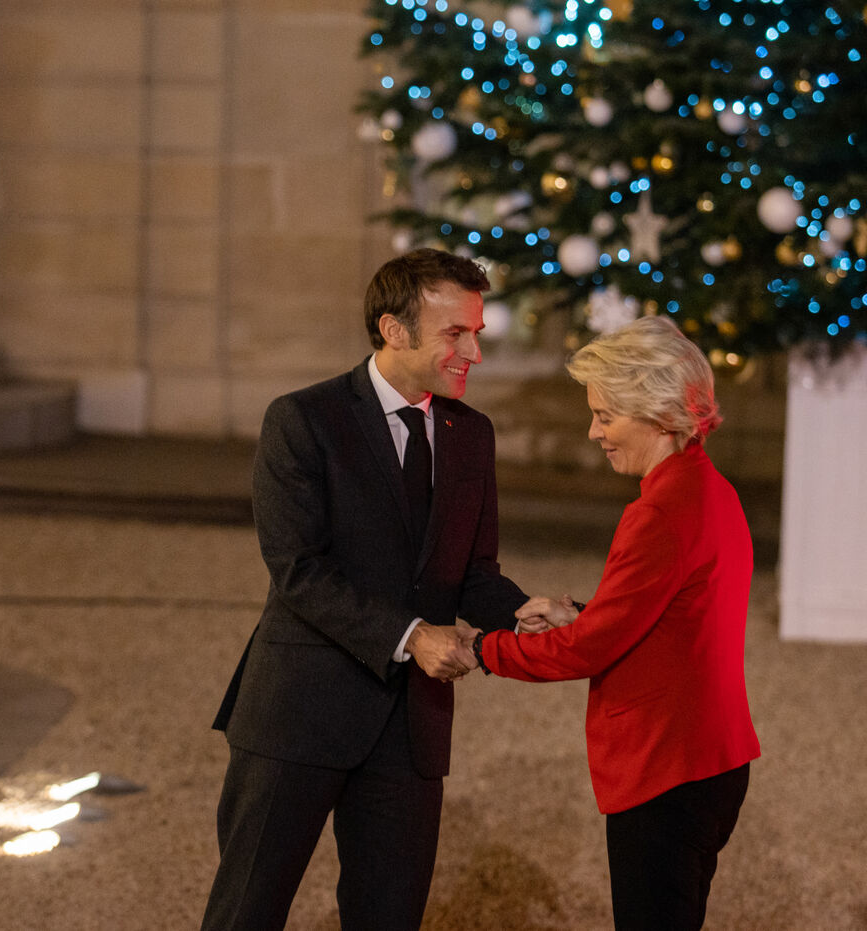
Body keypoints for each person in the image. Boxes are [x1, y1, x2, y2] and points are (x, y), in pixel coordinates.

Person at [202, 248, 530, 931]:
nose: (473, 352)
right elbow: (297, 568)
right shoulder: (303, 419)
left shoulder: (472, 434)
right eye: (455, 333)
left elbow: (474, 572)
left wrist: (527, 611)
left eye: (476, 332)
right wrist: (411, 637)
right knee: (246, 912)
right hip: (299, 710)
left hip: (410, 728)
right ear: (393, 329)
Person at [469, 315, 761, 930]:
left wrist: (480, 648)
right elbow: (675, 613)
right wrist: (579, 613)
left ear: (657, 414)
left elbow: (587, 652)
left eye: (605, 415)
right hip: (713, 759)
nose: (594, 431)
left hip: (667, 771)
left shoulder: (658, 513)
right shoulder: (712, 489)